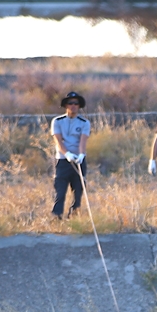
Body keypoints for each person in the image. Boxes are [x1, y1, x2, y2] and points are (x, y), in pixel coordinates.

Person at [51, 91, 91, 219]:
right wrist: (67, 154)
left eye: (76, 103)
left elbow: (82, 141)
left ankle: (73, 216)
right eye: (70, 103)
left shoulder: (84, 123)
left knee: (78, 192)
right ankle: (56, 217)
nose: (73, 106)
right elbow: (58, 140)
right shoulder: (57, 121)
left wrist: (80, 155)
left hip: (78, 161)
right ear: (66, 105)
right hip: (63, 161)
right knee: (60, 192)